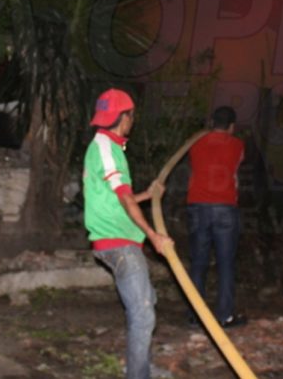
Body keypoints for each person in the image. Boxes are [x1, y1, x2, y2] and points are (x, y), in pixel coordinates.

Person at [83, 88, 172, 379]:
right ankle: (137, 375)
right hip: (118, 243)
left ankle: (140, 367)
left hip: (121, 239)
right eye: (131, 117)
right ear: (125, 117)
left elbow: (117, 197)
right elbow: (123, 198)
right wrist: (154, 235)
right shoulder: (106, 148)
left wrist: (148, 193)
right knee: (143, 312)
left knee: (147, 303)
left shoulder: (108, 146)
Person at [186, 106, 247, 328]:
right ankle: (225, 315)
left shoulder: (194, 143)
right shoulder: (238, 145)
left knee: (198, 262)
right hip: (225, 208)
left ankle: (195, 314)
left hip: (197, 207)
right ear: (232, 126)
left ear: (211, 122)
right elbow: (235, 169)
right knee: (226, 263)